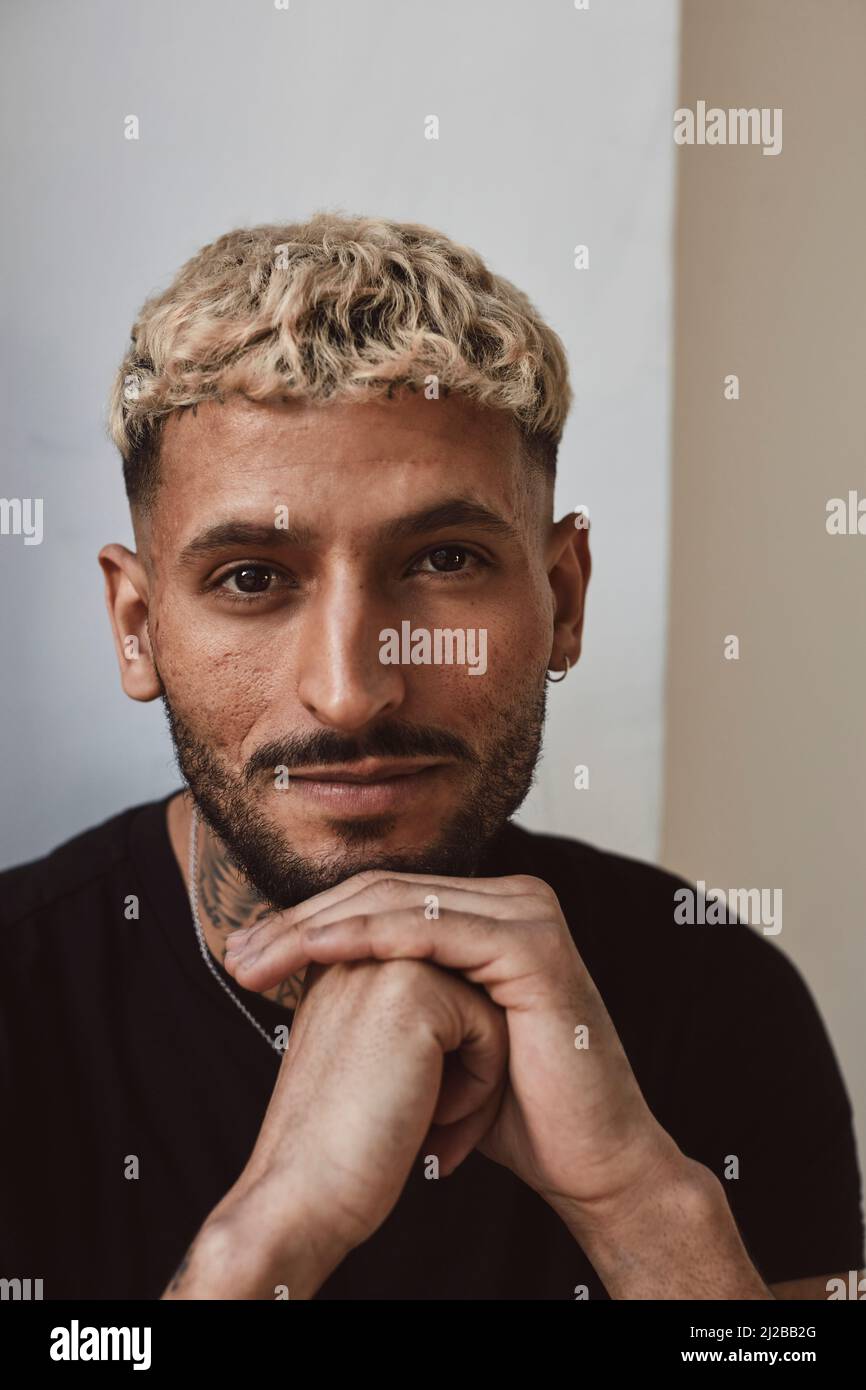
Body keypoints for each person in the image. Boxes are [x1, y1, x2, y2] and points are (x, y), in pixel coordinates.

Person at [1, 213, 862, 1301]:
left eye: (443, 560)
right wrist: (264, 1239)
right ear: (136, 627)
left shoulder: (718, 994)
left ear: (561, 598)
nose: (353, 688)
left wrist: (641, 1201)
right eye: (253, 578)